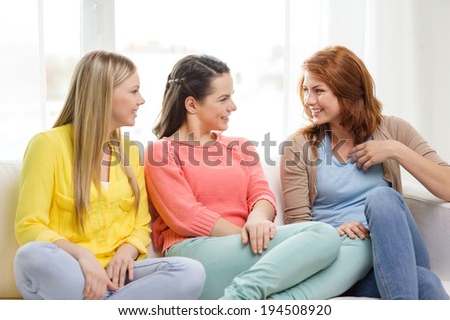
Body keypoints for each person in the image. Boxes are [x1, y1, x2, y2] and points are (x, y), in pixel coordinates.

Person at [144, 54, 373, 300]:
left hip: (247, 247)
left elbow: (262, 195)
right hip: (196, 254)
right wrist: (248, 234)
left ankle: (277, 304)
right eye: (223, 99)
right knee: (322, 234)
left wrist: (257, 219)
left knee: (361, 247)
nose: (233, 106)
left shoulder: (240, 147)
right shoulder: (162, 152)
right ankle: (239, 298)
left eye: (231, 96)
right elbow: (187, 217)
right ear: (192, 105)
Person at [14, 50, 205, 300]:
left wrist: (127, 252)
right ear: (105, 94)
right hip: (72, 272)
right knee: (31, 257)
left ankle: (99, 305)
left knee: (190, 272)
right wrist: (83, 257)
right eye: (134, 91)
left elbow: (140, 226)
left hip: (120, 276)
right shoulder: (47, 145)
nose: (142, 100)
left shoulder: (130, 152)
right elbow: (29, 225)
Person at [280, 45, 450, 299]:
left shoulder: (393, 130)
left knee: (381, 198)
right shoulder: (299, 146)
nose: (308, 100)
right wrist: (332, 231)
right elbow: (297, 226)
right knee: (426, 283)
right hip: (343, 260)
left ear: (347, 92)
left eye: (318, 91)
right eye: (305, 89)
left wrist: (396, 150)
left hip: (397, 250)